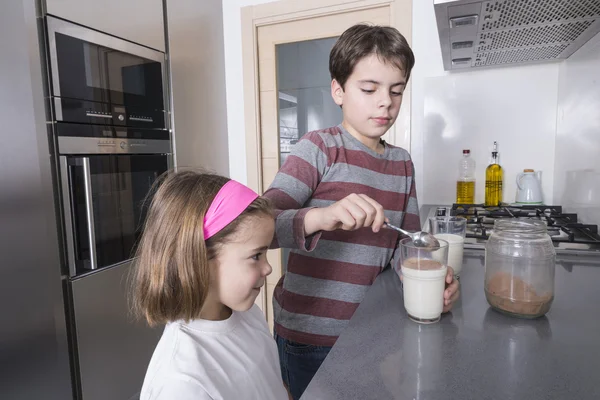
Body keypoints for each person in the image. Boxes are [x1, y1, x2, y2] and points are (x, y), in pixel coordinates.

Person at [263, 24, 460, 399]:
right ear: (338, 89)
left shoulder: (402, 163)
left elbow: (411, 247)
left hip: (372, 332)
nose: (385, 101)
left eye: (396, 90)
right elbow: (260, 227)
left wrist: (435, 279)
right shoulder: (319, 148)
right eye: (369, 89)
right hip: (310, 336)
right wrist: (321, 217)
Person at [131, 171, 289, 400]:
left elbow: (273, 384)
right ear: (198, 259)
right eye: (256, 256)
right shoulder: (182, 382)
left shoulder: (249, 316)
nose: (268, 268)